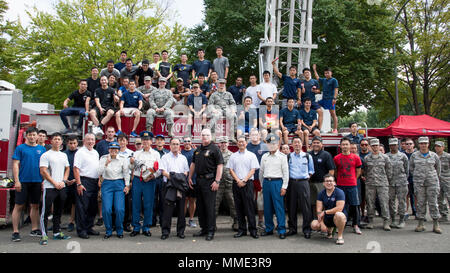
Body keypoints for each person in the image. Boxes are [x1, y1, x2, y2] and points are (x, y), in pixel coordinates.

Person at [11, 127, 47, 242]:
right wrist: (17, 181)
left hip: (37, 181)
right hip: (23, 181)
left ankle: (34, 228)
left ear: (37, 136)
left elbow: (44, 167)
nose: (32, 137)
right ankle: (15, 231)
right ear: (26, 135)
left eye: (34, 135)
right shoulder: (20, 148)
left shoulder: (42, 149)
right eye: (30, 135)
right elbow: (16, 164)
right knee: (19, 206)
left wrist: (43, 181)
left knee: (35, 205)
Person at [189, 129, 224, 241]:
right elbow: (193, 164)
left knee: (209, 207)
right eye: (203, 135)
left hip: (210, 182)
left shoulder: (215, 149)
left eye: (207, 135)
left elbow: (220, 165)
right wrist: (189, 177)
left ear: (211, 136)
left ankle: (210, 231)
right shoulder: (198, 150)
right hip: (199, 181)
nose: (204, 137)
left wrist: (217, 181)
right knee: (200, 207)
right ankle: (203, 228)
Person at [39, 133, 71, 245]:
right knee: (45, 211)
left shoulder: (63, 155)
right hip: (50, 187)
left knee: (58, 210)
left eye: (59, 139)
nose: (57, 141)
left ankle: (57, 232)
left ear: (62, 142)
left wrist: (63, 181)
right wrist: (54, 183)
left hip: (61, 187)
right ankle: (44, 235)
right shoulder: (46, 155)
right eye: (55, 139)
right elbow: (43, 171)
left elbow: (67, 168)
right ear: (51, 141)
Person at [227, 136, 260, 239]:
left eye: (243, 142)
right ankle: (242, 230)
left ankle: (253, 230)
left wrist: (244, 180)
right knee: (239, 208)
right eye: (239, 142)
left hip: (248, 183)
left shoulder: (251, 155)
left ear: (246, 143)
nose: (241, 143)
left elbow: (253, 170)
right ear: (237, 144)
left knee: (249, 207)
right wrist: (238, 180)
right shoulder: (233, 156)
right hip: (236, 184)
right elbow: (231, 170)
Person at [129, 131, 161, 237]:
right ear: (142, 141)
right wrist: (131, 162)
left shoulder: (155, 154)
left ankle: (146, 227)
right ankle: (136, 227)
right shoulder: (136, 153)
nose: (146, 142)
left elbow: (159, 169)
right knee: (136, 204)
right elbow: (131, 169)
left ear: (151, 141)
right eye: (144, 140)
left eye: (147, 140)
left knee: (148, 204)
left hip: (150, 181)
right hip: (138, 180)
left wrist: (153, 176)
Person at [98, 142, 130, 239]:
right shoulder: (104, 158)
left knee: (119, 209)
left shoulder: (123, 159)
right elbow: (99, 172)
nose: (114, 151)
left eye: (116, 149)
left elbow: (126, 173)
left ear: (118, 150)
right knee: (107, 209)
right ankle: (108, 230)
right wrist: (106, 164)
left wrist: (127, 185)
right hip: (107, 183)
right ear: (109, 150)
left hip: (119, 183)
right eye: (112, 149)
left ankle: (119, 230)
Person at [259, 134, 289, 239]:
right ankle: (269, 229)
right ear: (267, 145)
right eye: (269, 143)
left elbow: (286, 173)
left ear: (277, 144)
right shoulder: (264, 156)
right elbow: (261, 172)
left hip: (277, 182)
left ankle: (281, 229)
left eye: (274, 143)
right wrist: (262, 185)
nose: (272, 145)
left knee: (279, 207)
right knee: (267, 207)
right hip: (267, 182)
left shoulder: (282, 157)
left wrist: (284, 187)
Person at [410, 137, 442, 234]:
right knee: (420, 203)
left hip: (432, 182)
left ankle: (436, 224)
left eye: (425, 143)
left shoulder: (434, 156)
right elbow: (411, 168)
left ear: (428, 144)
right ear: (418, 144)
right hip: (419, 183)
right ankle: (420, 223)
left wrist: (432, 177)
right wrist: (418, 176)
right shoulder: (414, 156)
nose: (423, 145)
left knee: (433, 203)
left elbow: (438, 169)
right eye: (421, 143)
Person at [159, 138, 190, 239]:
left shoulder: (183, 158)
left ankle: (180, 231)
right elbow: (163, 172)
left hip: (180, 186)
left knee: (181, 211)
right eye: (173, 144)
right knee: (167, 211)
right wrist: (175, 179)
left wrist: (176, 179)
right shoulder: (165, 157)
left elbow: (186, 172)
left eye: (177, 144)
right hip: (169, 186)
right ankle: (165, 232)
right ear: (170, 145)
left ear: (179, 146)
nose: (175, 146)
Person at [286, 136, 314, 239]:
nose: (297, 144)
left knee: (305, 207)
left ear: (301, 144)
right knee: (291, 206)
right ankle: (292, 229)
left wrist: (305, 180)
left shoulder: (307, 156)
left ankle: (307, 229)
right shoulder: (288, 156)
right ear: (292, 145)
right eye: (295, 142)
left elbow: (311, 171)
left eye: (298, 142)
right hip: (292, 183)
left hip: (303, 183)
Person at [73, 133, 100, 239]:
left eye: (92, 139)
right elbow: (76, 168)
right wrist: (79, 184)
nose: (90, 141)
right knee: (82, 207)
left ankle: (89, 227)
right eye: (88, 139)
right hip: (84, 181)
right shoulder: (80, 152)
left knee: (92, 207)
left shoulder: (95, 152)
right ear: (84, 141)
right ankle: (81, 230)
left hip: (94, 182)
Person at [334, 137, 363, 234]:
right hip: (340, 185)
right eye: (343, 144)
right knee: (341, 206)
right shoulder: (337, 158)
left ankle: (356, 225)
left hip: (352, 185)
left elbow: (358, 170)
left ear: (350, 146)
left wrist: (354, 178)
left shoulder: (356, 157)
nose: (345, 146)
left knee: (354, 205)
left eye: (347, 144)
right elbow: (336, 172)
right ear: (340, 146)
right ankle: (342, 223)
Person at [364, 138, 392, 231]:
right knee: (370, 203)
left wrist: (386, 180)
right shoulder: (367, 158)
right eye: (373, 146)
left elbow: (389, 171)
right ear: (370, 147)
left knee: (384, 203)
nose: (375, 147)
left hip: (382, 183)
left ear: (379, 146)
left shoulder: (385, 157)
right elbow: (365, 171)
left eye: (376, 145)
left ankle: (386, 221)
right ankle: (371, 221)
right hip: (370, 183)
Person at [310, 174, 346, 245]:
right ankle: (329, 230)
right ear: (323, 183)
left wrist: (325, 212)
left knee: (339, 215)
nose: (329, 183)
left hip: (337, 217)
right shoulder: (321, 194)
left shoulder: (339, 192)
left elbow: (339, 208)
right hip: (326, 217)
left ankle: (340, 236)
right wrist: (322, 223)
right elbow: (319, 211)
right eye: (326, 181)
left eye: (330, 181)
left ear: (334, 183)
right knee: (314, 225)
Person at [308, 136, 335, 218]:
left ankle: (323, 221)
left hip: (321, 184)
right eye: (314, 143)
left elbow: (331, 170)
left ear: (322, 144)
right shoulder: (308, 155)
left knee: (322, 203)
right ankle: (314, 221)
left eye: (318, 143)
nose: (316, 144)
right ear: (311, 144)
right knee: (312, 203)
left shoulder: (326, 155)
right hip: (310, 183)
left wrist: (328, 183)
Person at [215, 137, 238, 231]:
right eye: (221, 142)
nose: (223, 144)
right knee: (215, 204)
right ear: (218, 144)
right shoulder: (215, 154)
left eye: (225, 142)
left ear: (228, 144)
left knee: (233, 203)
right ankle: (212, 223)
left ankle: (236, 222)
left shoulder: (232, 155)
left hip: (229, 182)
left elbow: (235, 168)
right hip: (218, 183)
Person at [246, 129, 268, 229]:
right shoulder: (247, 146)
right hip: (249, 178)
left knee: (260, 201)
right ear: (250, 136)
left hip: (260, 178)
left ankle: (260, 220)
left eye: (256, 134)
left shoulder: (264, 146)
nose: (254, 136)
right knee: (249, 200)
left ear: (260, 136)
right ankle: (250, 221)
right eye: (252, 134)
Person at [386, 138, 409, 229]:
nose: (393, 146)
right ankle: (393, 219)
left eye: (395, 145)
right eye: (391, 145)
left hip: (401, 182)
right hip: (390, 183)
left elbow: (407, 170)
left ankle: (402, 220)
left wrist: (403, 178)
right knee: (390, 202)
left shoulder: (403, 156)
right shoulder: (386, 156)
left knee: (402, 201)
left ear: (398, 145)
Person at [312, 64, 339, 134]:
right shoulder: (324, 80)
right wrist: (314, 70)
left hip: (330, 99)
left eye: (328, 73)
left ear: (331, 73)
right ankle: (317, 124)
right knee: (315, 105)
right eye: (325, 73)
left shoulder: (334, 80)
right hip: (324, 99)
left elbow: (336, 89)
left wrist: (334, 98)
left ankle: (335, 129)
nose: (326, 74)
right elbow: (317, 78)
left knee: (333, 114)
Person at [116, 134, 133, 232]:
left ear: (127, 142)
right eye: (120, 140)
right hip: (117, 179)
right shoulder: (114, 152)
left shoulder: (131, 153)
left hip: (128, 179)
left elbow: (134, 169)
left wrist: (130, 182)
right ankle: (116, 223)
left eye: (123, 140)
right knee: (116, 203)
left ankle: (127, 224)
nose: (122, 142)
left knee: (128, 203)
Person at [62, 136, 79, 232]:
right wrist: (65, 180)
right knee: (61, 202)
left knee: (74, 203)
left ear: (77, 144)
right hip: (64, 182)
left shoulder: (80, 154)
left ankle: (71, 222)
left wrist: (75, 180)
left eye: (74, 143)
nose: (72, 145)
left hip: (76, 181)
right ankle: (57, 222)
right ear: (67, 144)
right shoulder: (63, 154)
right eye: (70, 143)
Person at [153, 134, 169, 227]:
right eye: (158, 139)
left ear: (164, 142)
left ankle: (163, 221)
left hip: (163, 179)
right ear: (155, 142)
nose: (159, 141)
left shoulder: (167, 153)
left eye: (161, 140)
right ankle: (152, 220)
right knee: (153, 200)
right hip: (154, 179)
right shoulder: (152, 152)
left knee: (163, 201)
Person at [181, 137, 197, 228]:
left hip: (193, 180)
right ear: (183, 143)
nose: (187, 142)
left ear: (191, 142)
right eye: (185, 141)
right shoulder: (180, 153)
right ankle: (182, 219)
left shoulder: (195, 152)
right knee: (184, 200)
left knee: (192, 200)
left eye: (188, 141)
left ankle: (191, 219)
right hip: (183, 180)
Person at [435, 141, 450, 222]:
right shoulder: (433, 156)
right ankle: (443, 215)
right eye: (436, 146)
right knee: (440, 198)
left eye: (439, 146)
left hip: (447, 180)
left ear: (443, 147)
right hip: (437, 180)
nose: (437, 148)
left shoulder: (448, 156)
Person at [404, 138, 417, 218]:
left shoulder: (417, 154)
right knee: (406, 196)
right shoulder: (402, 154)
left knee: (416, 196)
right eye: (407, 144)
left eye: (410, 144)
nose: (409, 145)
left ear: (413, 145)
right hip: (405, 179)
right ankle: (405, 212)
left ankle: (416, 212)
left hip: (415, 178)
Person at [359, 138, 371, 222]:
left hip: (371, 180)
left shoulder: (371, 155)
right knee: (362, 198)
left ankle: (370, 215)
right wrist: (361, 176)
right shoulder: (358, 155)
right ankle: (362, 213)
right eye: (362, 145)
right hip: (360, 180)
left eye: (366, 144)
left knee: (370, 199)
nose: (364, 146)